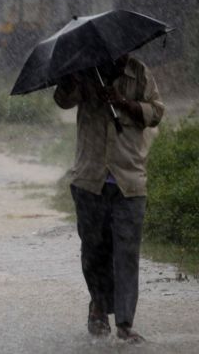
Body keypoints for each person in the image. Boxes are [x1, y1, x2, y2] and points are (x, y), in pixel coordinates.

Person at [53, 53, 164, 344]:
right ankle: (99, 307)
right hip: (90, 179)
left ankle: (125, 323)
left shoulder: (139, 73)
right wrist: (67, 81)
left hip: (129, 180)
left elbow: (156, 112)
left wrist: (123, 103)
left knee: (126, 255)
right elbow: (64, 100)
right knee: (94, 251)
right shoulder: (84, 69)